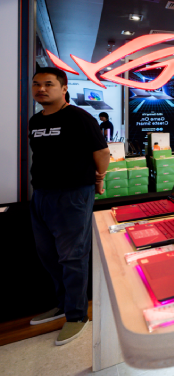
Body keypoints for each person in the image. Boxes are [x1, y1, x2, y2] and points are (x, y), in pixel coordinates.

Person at [28, 67, 110, 345]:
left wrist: (99, 179)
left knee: (72, 257)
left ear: (64, 88)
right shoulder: (35, 120)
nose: (41, 89)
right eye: (36, 84)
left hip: (73, 194)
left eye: (48, 84)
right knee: (48, 255)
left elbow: (102, 152)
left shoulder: (79, 117)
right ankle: (63, 304)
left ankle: (77, 316)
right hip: (42, 194)